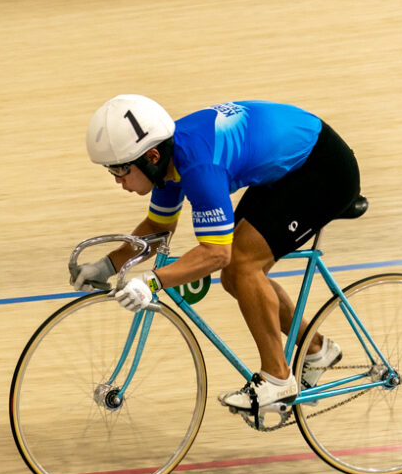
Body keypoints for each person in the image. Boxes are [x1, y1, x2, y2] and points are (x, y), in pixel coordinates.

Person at [74, 95, 361, 421]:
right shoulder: (167, 163)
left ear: (151, 156)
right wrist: (107, 265)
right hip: (290, 167)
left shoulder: (198, 167)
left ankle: (278, 380)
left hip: (323, 169)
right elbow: (157, 229)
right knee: (236, 276)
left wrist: (152, 282)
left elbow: (216, 254)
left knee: (241, 264)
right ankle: (316, 351)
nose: (117, 180)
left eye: (120, 169)